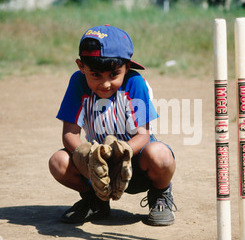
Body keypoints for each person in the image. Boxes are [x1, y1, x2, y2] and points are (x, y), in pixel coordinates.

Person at [48, 25, 176, 226]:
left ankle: (160, 194)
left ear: (126, 67)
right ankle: (95, 200)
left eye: (114, 74)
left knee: (160, 154)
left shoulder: (135, 82)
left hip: (135, 162)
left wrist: (121, 153)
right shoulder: (77, 82)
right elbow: (69, 134)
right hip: (98, 164)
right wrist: (90, 155)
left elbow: (143, 135)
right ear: (81, 67)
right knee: (58, 161)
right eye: (96, 75)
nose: (105, 83)